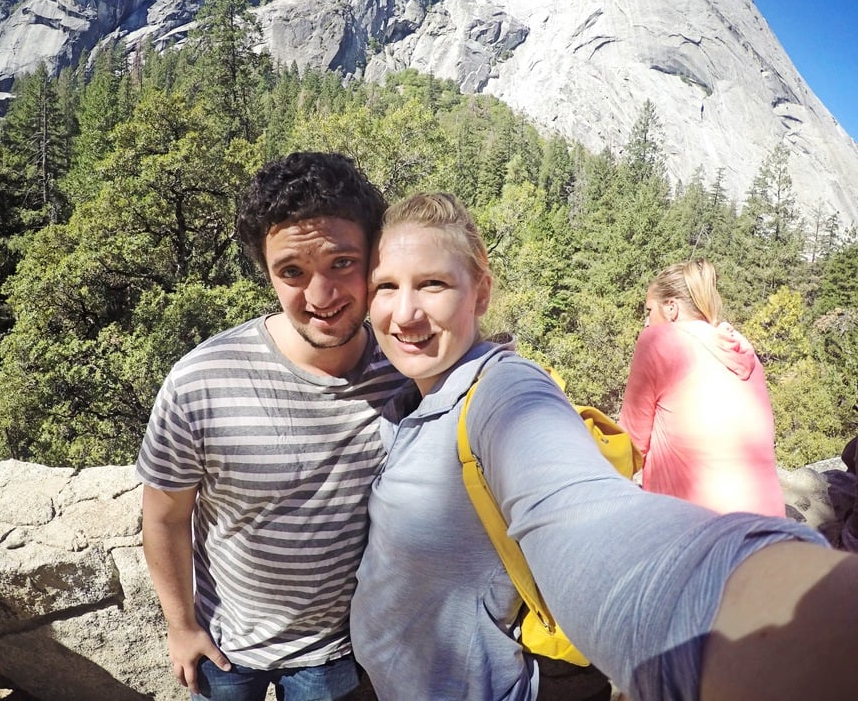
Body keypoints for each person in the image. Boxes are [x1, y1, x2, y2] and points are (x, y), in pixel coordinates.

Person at [350, 192, 857, 701]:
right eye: (386, 287)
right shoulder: (403, 397)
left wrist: (782, 611)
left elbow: (584, 518)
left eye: (432, 284)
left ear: (480, 293)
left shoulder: (503, 393)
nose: (404, 312)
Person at [136, 152, 406, 701]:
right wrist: (181, 626)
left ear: (374, 258)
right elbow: (164, 519)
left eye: (341, 264)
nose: (321, 297)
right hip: (224, 648)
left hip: (338, 652)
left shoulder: (406, 370)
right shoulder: (201, 381)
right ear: (266, 272)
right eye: (292, 272)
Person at [618, 259, 784, 516]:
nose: (647, 321)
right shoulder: (740, 348)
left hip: (698, 527)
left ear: (671, 308)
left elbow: (629, 445)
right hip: (768, 526)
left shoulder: (658, 340)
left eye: (648, 311)